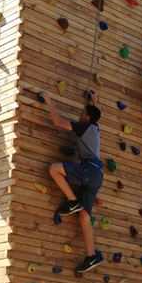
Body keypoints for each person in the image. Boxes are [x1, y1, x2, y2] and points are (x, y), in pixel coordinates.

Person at [42, 89, 104, 273]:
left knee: (54, 169)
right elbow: (93, 115)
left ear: (86, 116)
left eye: (82, 112)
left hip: (89, 169)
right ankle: (91, 256)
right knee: (84, 216)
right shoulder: (95, 128)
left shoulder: (83, 126)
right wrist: (93, 101)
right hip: (97, 174)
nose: (79, 114)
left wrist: (49, 100)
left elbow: (58, 122)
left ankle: (72, 201)